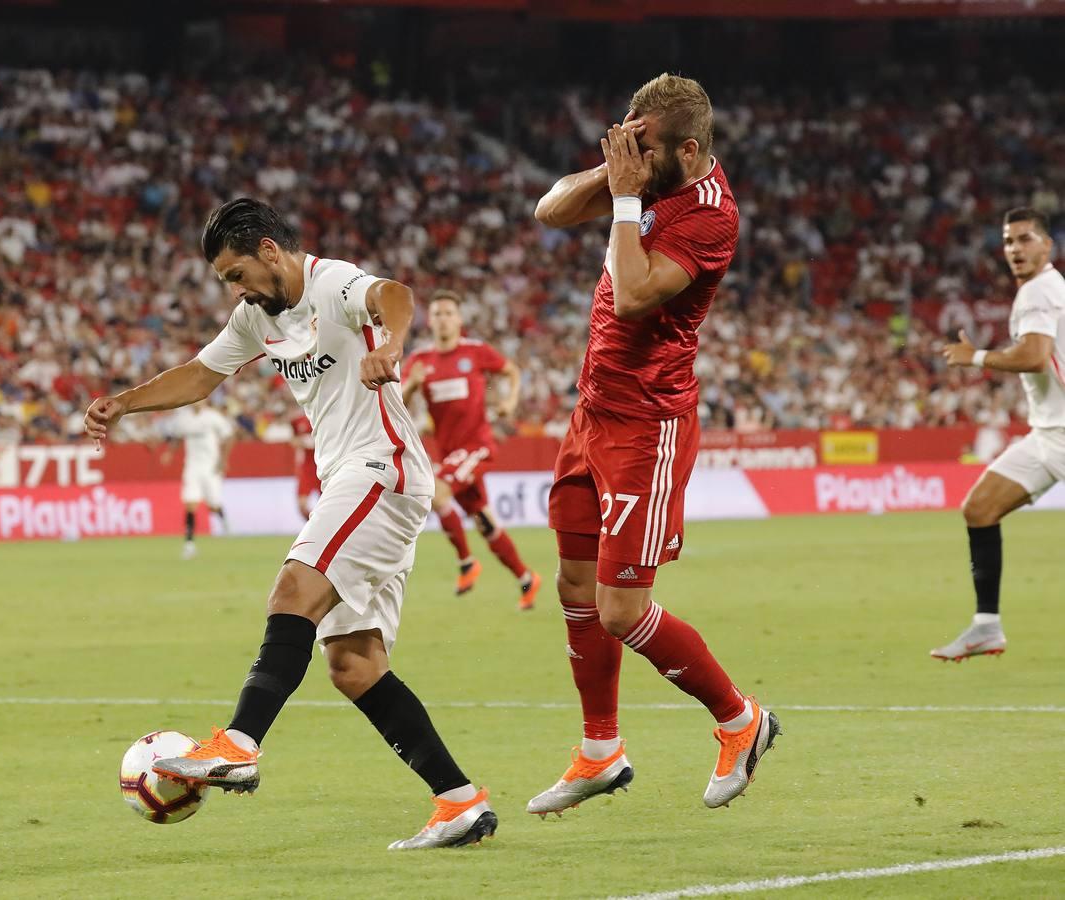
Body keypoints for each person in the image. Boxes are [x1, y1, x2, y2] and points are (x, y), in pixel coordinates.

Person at [84, 198, 496, 850]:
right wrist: (122, 405)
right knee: (353, 664)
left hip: (380, 470)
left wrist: (387, 344)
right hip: (354, 480)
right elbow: (198, 376)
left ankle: (240, 743)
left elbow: (396, 294)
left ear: (270, 251)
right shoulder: (255, 317)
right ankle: (459, 800)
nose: (235, 289)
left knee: (291, 591)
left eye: (236, 273)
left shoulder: (332, 283)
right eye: (227, 281)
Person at [525, 73, 780, 818]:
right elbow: (549, 212)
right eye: (625, 135)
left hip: (648, 424)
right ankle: (600, 750)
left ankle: (741, 719)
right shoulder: (642, 169)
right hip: (591, 413)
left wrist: (628, 196)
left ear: (689, 149)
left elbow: (634, 293)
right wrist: (615, 171)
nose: (631, 151)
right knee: (575, 587)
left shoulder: (710, 216)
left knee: (619, 606)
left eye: (644, 143)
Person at [934, 207, 1065, 661]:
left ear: (1048, 245)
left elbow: (1033, 355)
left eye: (1026, 239)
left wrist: (975, 357)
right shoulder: (1041, 289)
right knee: (980, 508)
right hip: (1050, 435)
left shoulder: (1039, 291)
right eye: (1009, 241)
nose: (1016, 249)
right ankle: (986, 626)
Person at [402, 290, 540, 609]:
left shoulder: (475, 352)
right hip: (450, 453)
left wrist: (509, 401)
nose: (443, 319)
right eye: (436, 313)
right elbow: (401, 403)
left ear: (459, 319)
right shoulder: (419, 361)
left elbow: (511, 371)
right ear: (429, 320)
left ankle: (466, 562)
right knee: (484, 521)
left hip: (476, 446)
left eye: (449, 313)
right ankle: (526, 578)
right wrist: (411, 384)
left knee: (436, 492)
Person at [161, 403, 234, 559]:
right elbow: (177, 438)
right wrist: (169, 453)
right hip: (192, 466)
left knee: (212, 505)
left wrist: (223, 460)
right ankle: (189, 544)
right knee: (190, 503)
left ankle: (223, 518)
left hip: (211, 467)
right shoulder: (184, 418)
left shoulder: (213, 417)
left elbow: (229, 436)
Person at [291, 411, 320, 519]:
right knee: (302, 505)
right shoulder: (297, 420)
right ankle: (313, 526)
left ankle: (323, 527)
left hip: (322, 467)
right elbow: (293, 439)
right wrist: (300, 442)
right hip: (306, 469)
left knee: (325, 503)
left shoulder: (323, 417)